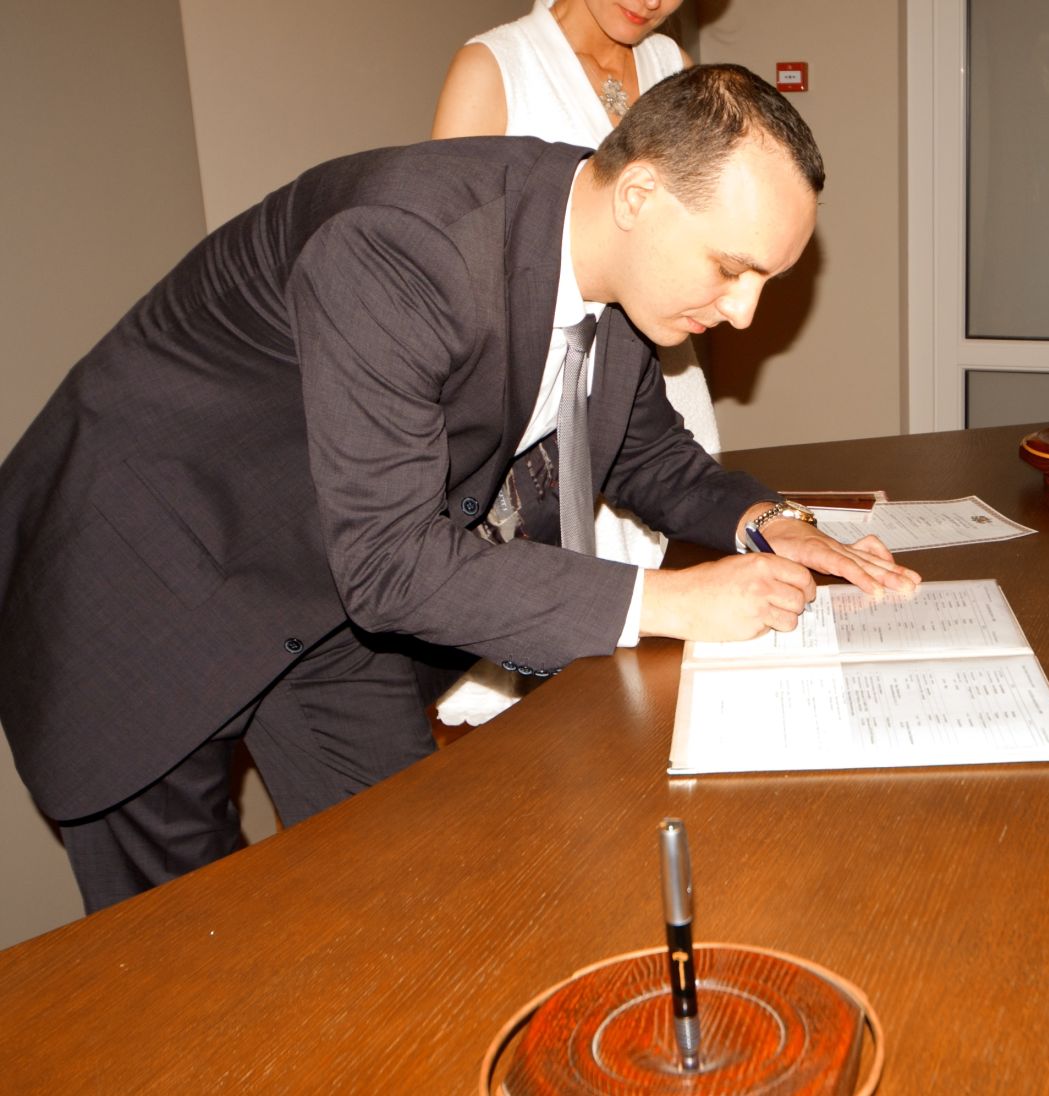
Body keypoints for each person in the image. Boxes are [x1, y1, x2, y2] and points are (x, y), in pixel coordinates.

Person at [0, 64, 920, 914]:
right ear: (640, 195)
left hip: (329, 582)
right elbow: (393, 562)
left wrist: (772, 523)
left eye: (766, 279)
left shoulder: (620, 273)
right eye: (730, 268)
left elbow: (645, 454)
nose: (746, 312)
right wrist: (673, 600)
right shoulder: (407, 247)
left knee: (418, 884)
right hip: (142, 577)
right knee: (188, 943)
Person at [433, 0, 717, 572]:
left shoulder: (675, 67)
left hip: (666, 394)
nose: (652, 1)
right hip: (547, 410)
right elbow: (448, 276)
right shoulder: (495, 67)